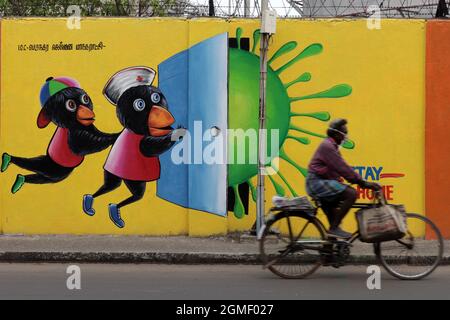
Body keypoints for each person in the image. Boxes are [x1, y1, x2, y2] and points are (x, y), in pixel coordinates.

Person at [306, 118, 381, 239]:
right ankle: (334, 228)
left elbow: (335, 168)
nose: (346, 136)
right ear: (336, 134)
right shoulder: (328, 146)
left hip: (320, 182)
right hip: (316, 183)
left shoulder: (332, 146)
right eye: (344, 133)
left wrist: (343, 180)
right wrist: (363, 183)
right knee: (351, 194)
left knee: (334, 219)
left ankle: (328, 254)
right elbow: (342, 167)